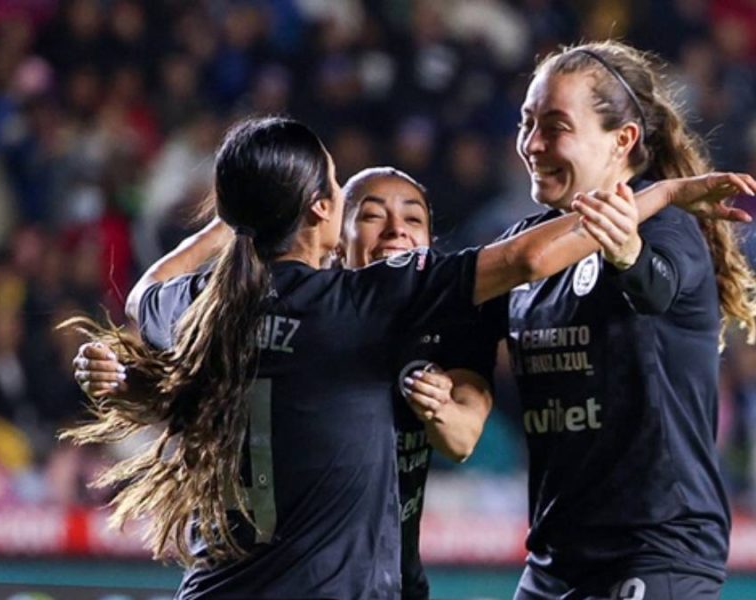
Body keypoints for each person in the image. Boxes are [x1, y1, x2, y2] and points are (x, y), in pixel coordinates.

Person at [63, 115, 753, 600]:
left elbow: (143, 291)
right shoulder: (359, 306)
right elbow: (529, 256)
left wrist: (237, 216)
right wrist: (653, 194)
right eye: (345, 193)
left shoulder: (193, 307)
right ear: (322, 211)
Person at [78, 165, 497, 600]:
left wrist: (440, 409)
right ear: (334, 235)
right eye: (372, 216)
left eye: (414, 219)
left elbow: (462, 438)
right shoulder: (301, 315)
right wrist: (124, 381)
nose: (396, 231)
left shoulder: (446, 326)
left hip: (384, 580)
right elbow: (182, 388)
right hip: (277, 575)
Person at [433, 40, 756, 600]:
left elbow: (654, 288)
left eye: (554, 127)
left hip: (654, 555)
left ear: (623, 140)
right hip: (554, 562)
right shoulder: (519, 247)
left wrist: (628, 253)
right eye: (525, 123)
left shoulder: (666, 229)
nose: (532, 144)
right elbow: (468, 384)